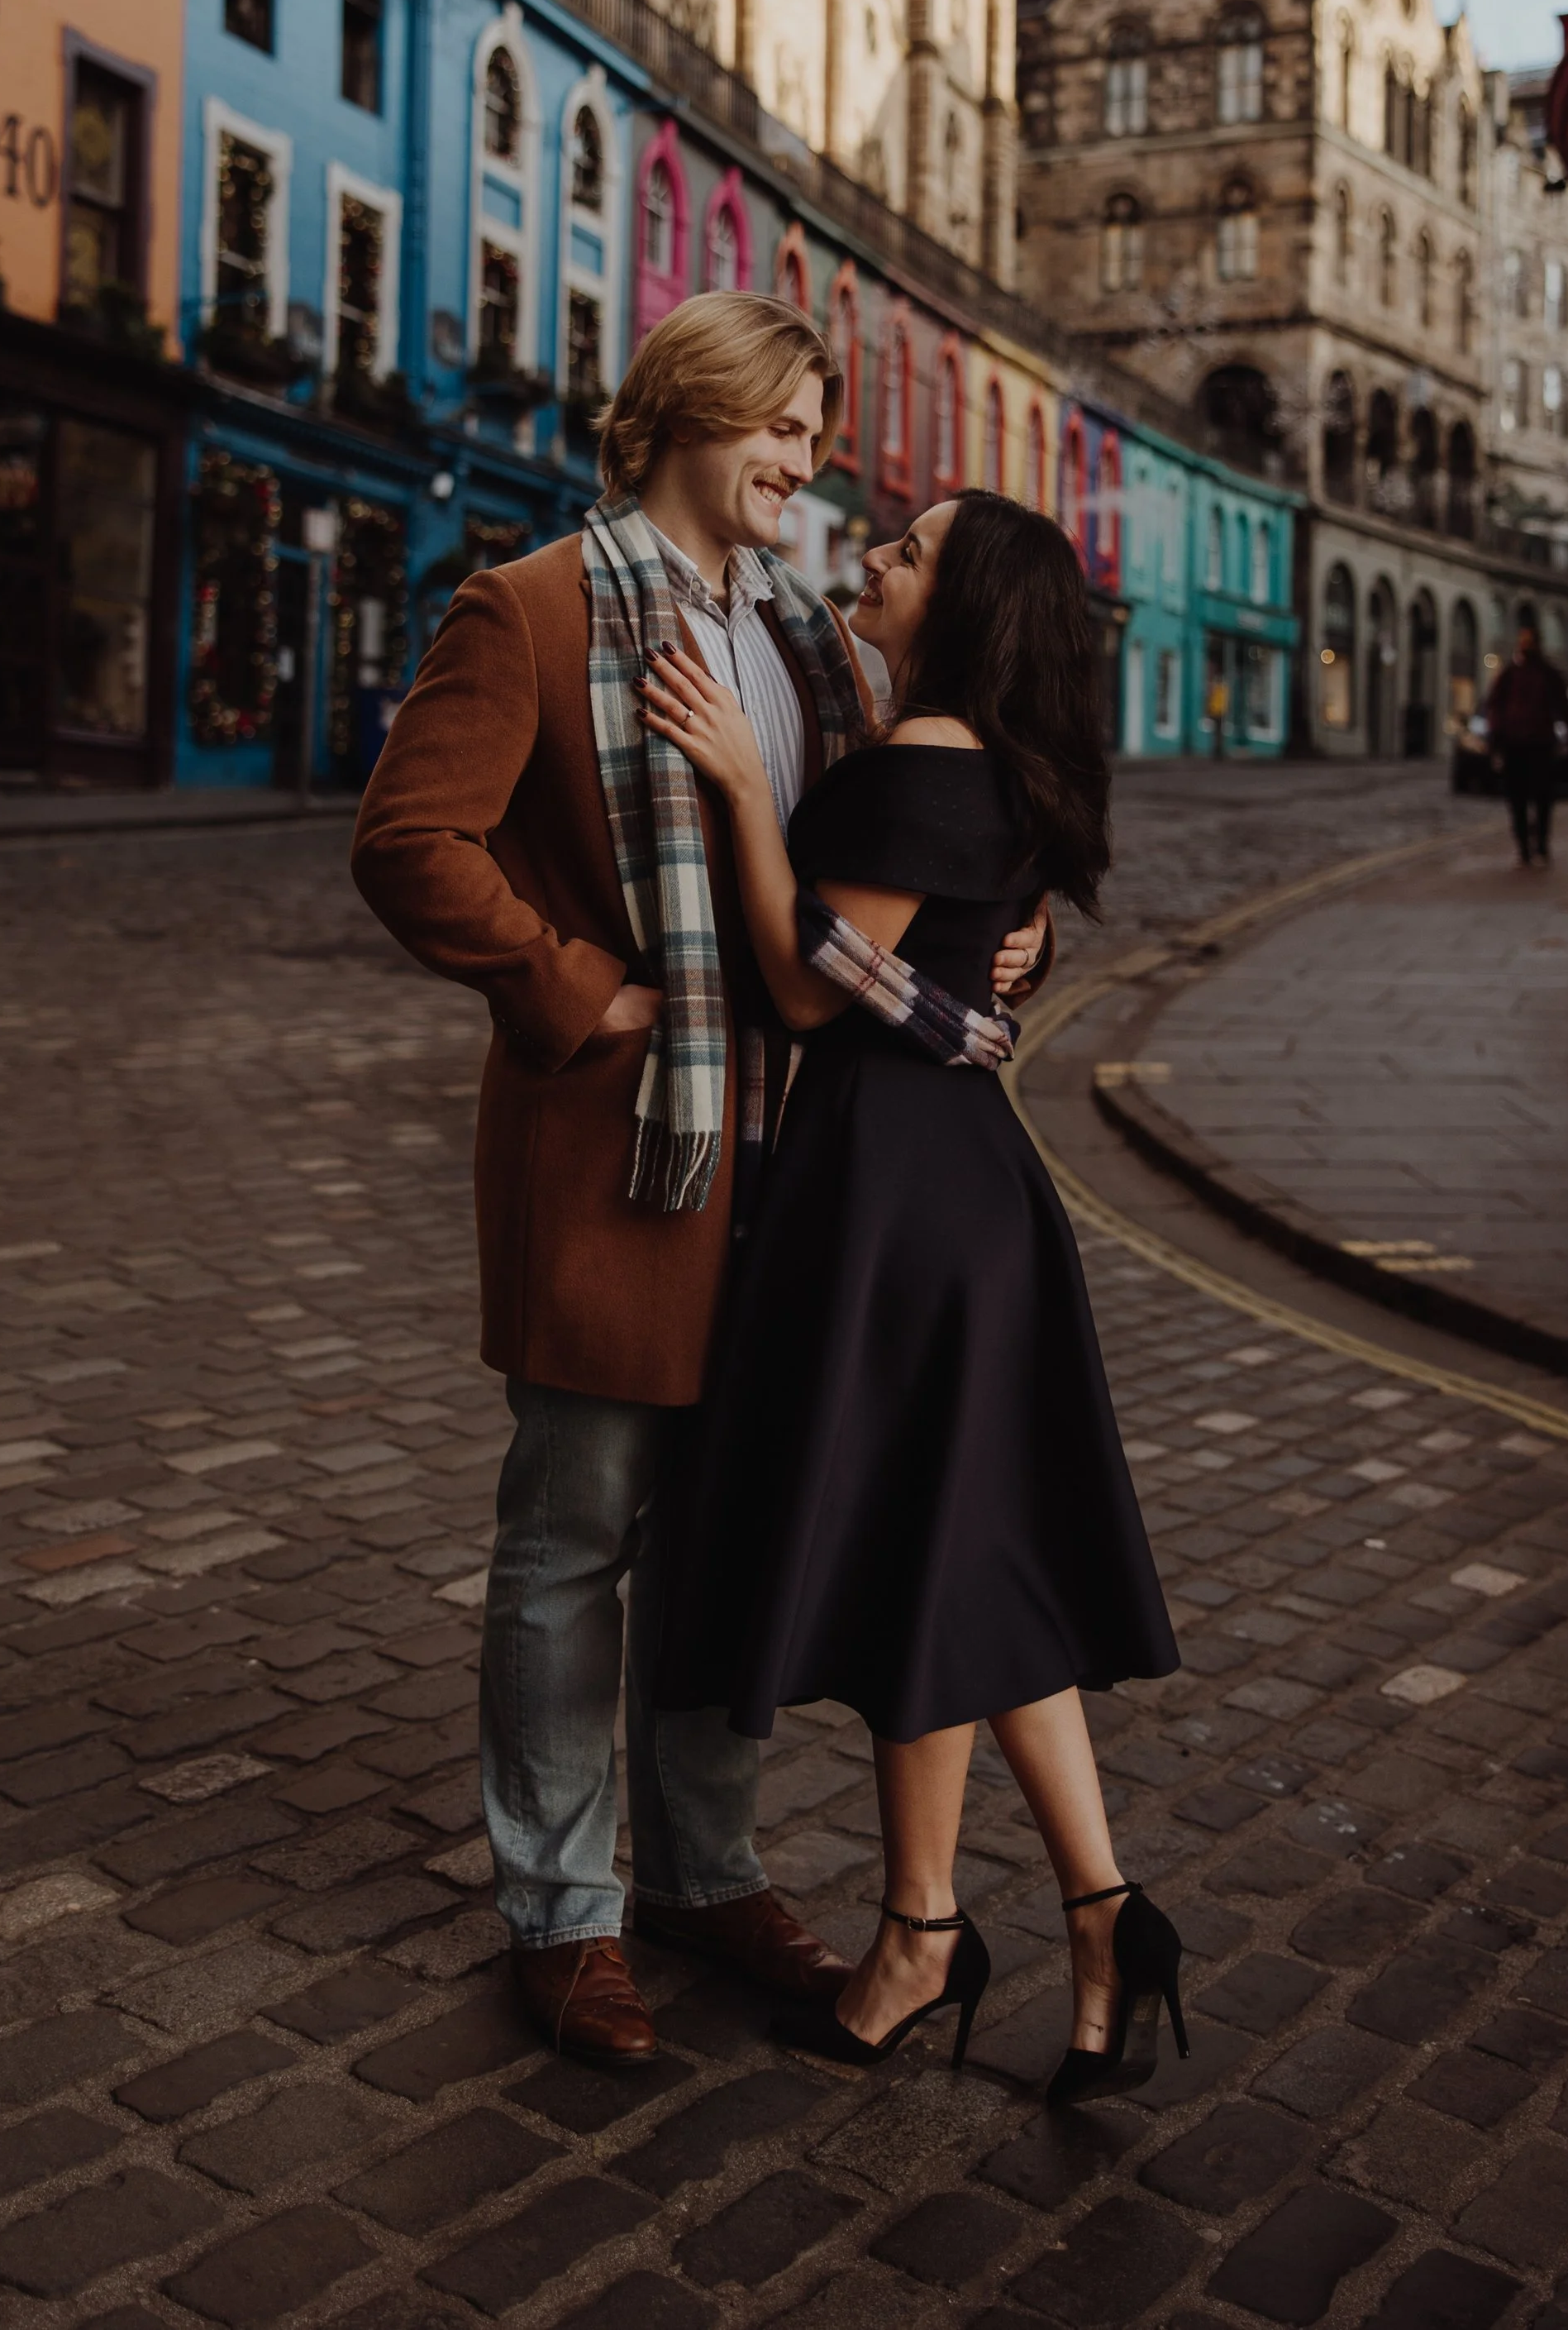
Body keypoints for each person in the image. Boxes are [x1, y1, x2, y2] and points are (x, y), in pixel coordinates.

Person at [350, 295, 1050, 2066]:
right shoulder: (524, 611)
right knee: (576, 1534)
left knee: (728, 1528)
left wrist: (997, 930)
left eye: (816, 441)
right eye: (789, 432)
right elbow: (407, 841)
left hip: (795, 1163)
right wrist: (580, 992)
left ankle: (704, 1868)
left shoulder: (817, 649)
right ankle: (563, 1908)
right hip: (615, 1150)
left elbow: (885, 852)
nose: (811, 470)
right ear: (692, 408)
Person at [645, 489, 1184, 2100]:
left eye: (908, 548)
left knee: (916, 1560)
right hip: (964, 1189)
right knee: (959, 1565)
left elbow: (808, 990)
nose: (871, 555)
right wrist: (967, 993)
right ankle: (1080, 1917)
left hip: (892, 1198)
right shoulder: (989, 764)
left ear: (962, 605)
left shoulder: (912, 769)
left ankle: (924, 1938)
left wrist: (745, 795)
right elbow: (956, 961)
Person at [1485, 623, 1568, 867]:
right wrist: (1496, 739)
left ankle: (1541, 843)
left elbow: (1562, 708)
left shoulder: (1548, 674)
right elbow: (1496, 708)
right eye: (1522, 641)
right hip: (1515, 745)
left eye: (1529, 641)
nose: (1525, 645)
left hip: (1540, 744)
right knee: (1517, 799)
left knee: (1543, 798)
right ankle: (1524, 846)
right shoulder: (1510, 674)